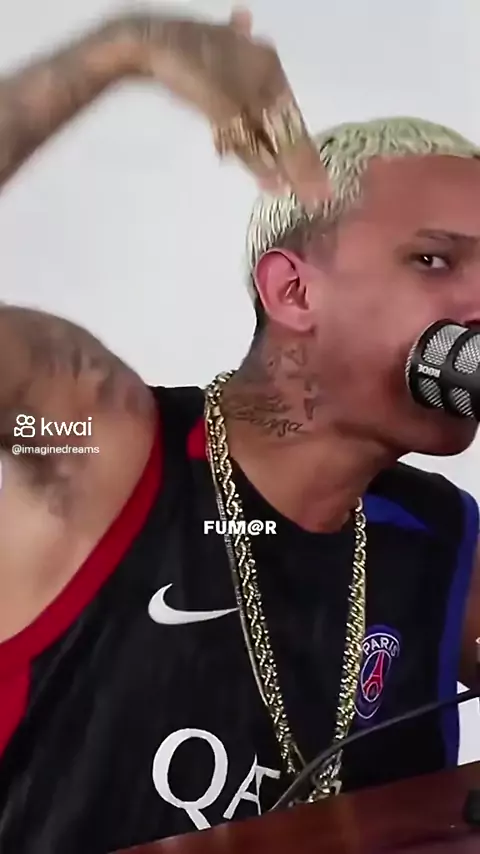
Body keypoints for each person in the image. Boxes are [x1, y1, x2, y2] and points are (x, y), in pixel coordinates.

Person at [0, 5, 479, 853]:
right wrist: (122, 50)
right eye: (434, 260)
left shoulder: (440, 536)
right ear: (293, 292)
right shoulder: (95, 441)